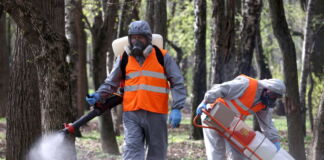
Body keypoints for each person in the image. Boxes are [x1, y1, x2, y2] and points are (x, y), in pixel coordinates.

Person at [86, 20, 186, 160]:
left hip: (156, 113)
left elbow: (177, 82)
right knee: (132, 152)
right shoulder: (124, 58)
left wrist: (177, 107)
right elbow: (111, 83)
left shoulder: (162, 57)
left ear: (148, 39)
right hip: (132, 114)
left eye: (140, 37)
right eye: (133, 37)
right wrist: (98, 95)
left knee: (157, 153)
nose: (136, 41)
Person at [196, 74, 285, 160]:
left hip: (233, 122)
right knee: (217, 151)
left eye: (276, 97)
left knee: (238, 152)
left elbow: (268, 125)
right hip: (214, 112)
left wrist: (275, 142)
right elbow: (221, 88)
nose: (273, 99)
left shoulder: (264, 104)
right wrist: (205, 101)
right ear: (267, 89)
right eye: (273, 95)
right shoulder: (246, 85)